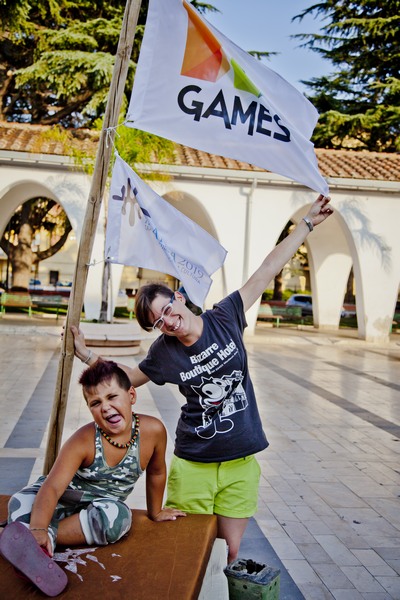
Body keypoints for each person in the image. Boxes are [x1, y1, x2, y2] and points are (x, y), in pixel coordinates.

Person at [71, 194, 333, 563]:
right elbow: (127, 378)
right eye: (158, 322)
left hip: (241, 462)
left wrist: (305, 224)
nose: (168, 322)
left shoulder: (225, 316)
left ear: (178, 297)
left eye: (166, 309)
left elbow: (267, 269)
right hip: (195, 462)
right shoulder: (164, 352)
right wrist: (86, 355)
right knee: (190, 553)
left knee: (230, 553)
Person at [2, 359, 185, 581]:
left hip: (97, 509)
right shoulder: (83, 440)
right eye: (96, 403)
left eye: (112, 396)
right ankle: (35, 537)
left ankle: (29, 539)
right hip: (59, 501)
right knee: (21, 501)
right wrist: (39, 528)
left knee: (119, 519)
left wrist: (155, 512)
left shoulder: (153, 430)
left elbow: (156, 473)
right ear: (90, 409)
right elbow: (52, 488)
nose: (105, 407)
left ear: (131, 395)